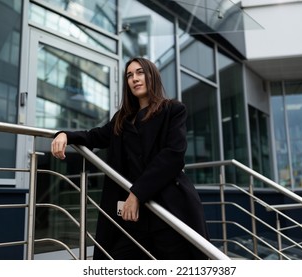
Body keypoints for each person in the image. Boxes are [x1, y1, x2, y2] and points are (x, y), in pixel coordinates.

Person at [51, 57, 208, 260]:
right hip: (134, 218)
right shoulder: (122, 119)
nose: (135, 78)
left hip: (168, 210)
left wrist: (136, 194)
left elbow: (173, 156)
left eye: (140, 72)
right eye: (129, 75)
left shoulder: (173, 110)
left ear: (152, 76)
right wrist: (65, 134)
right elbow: (94, 136)